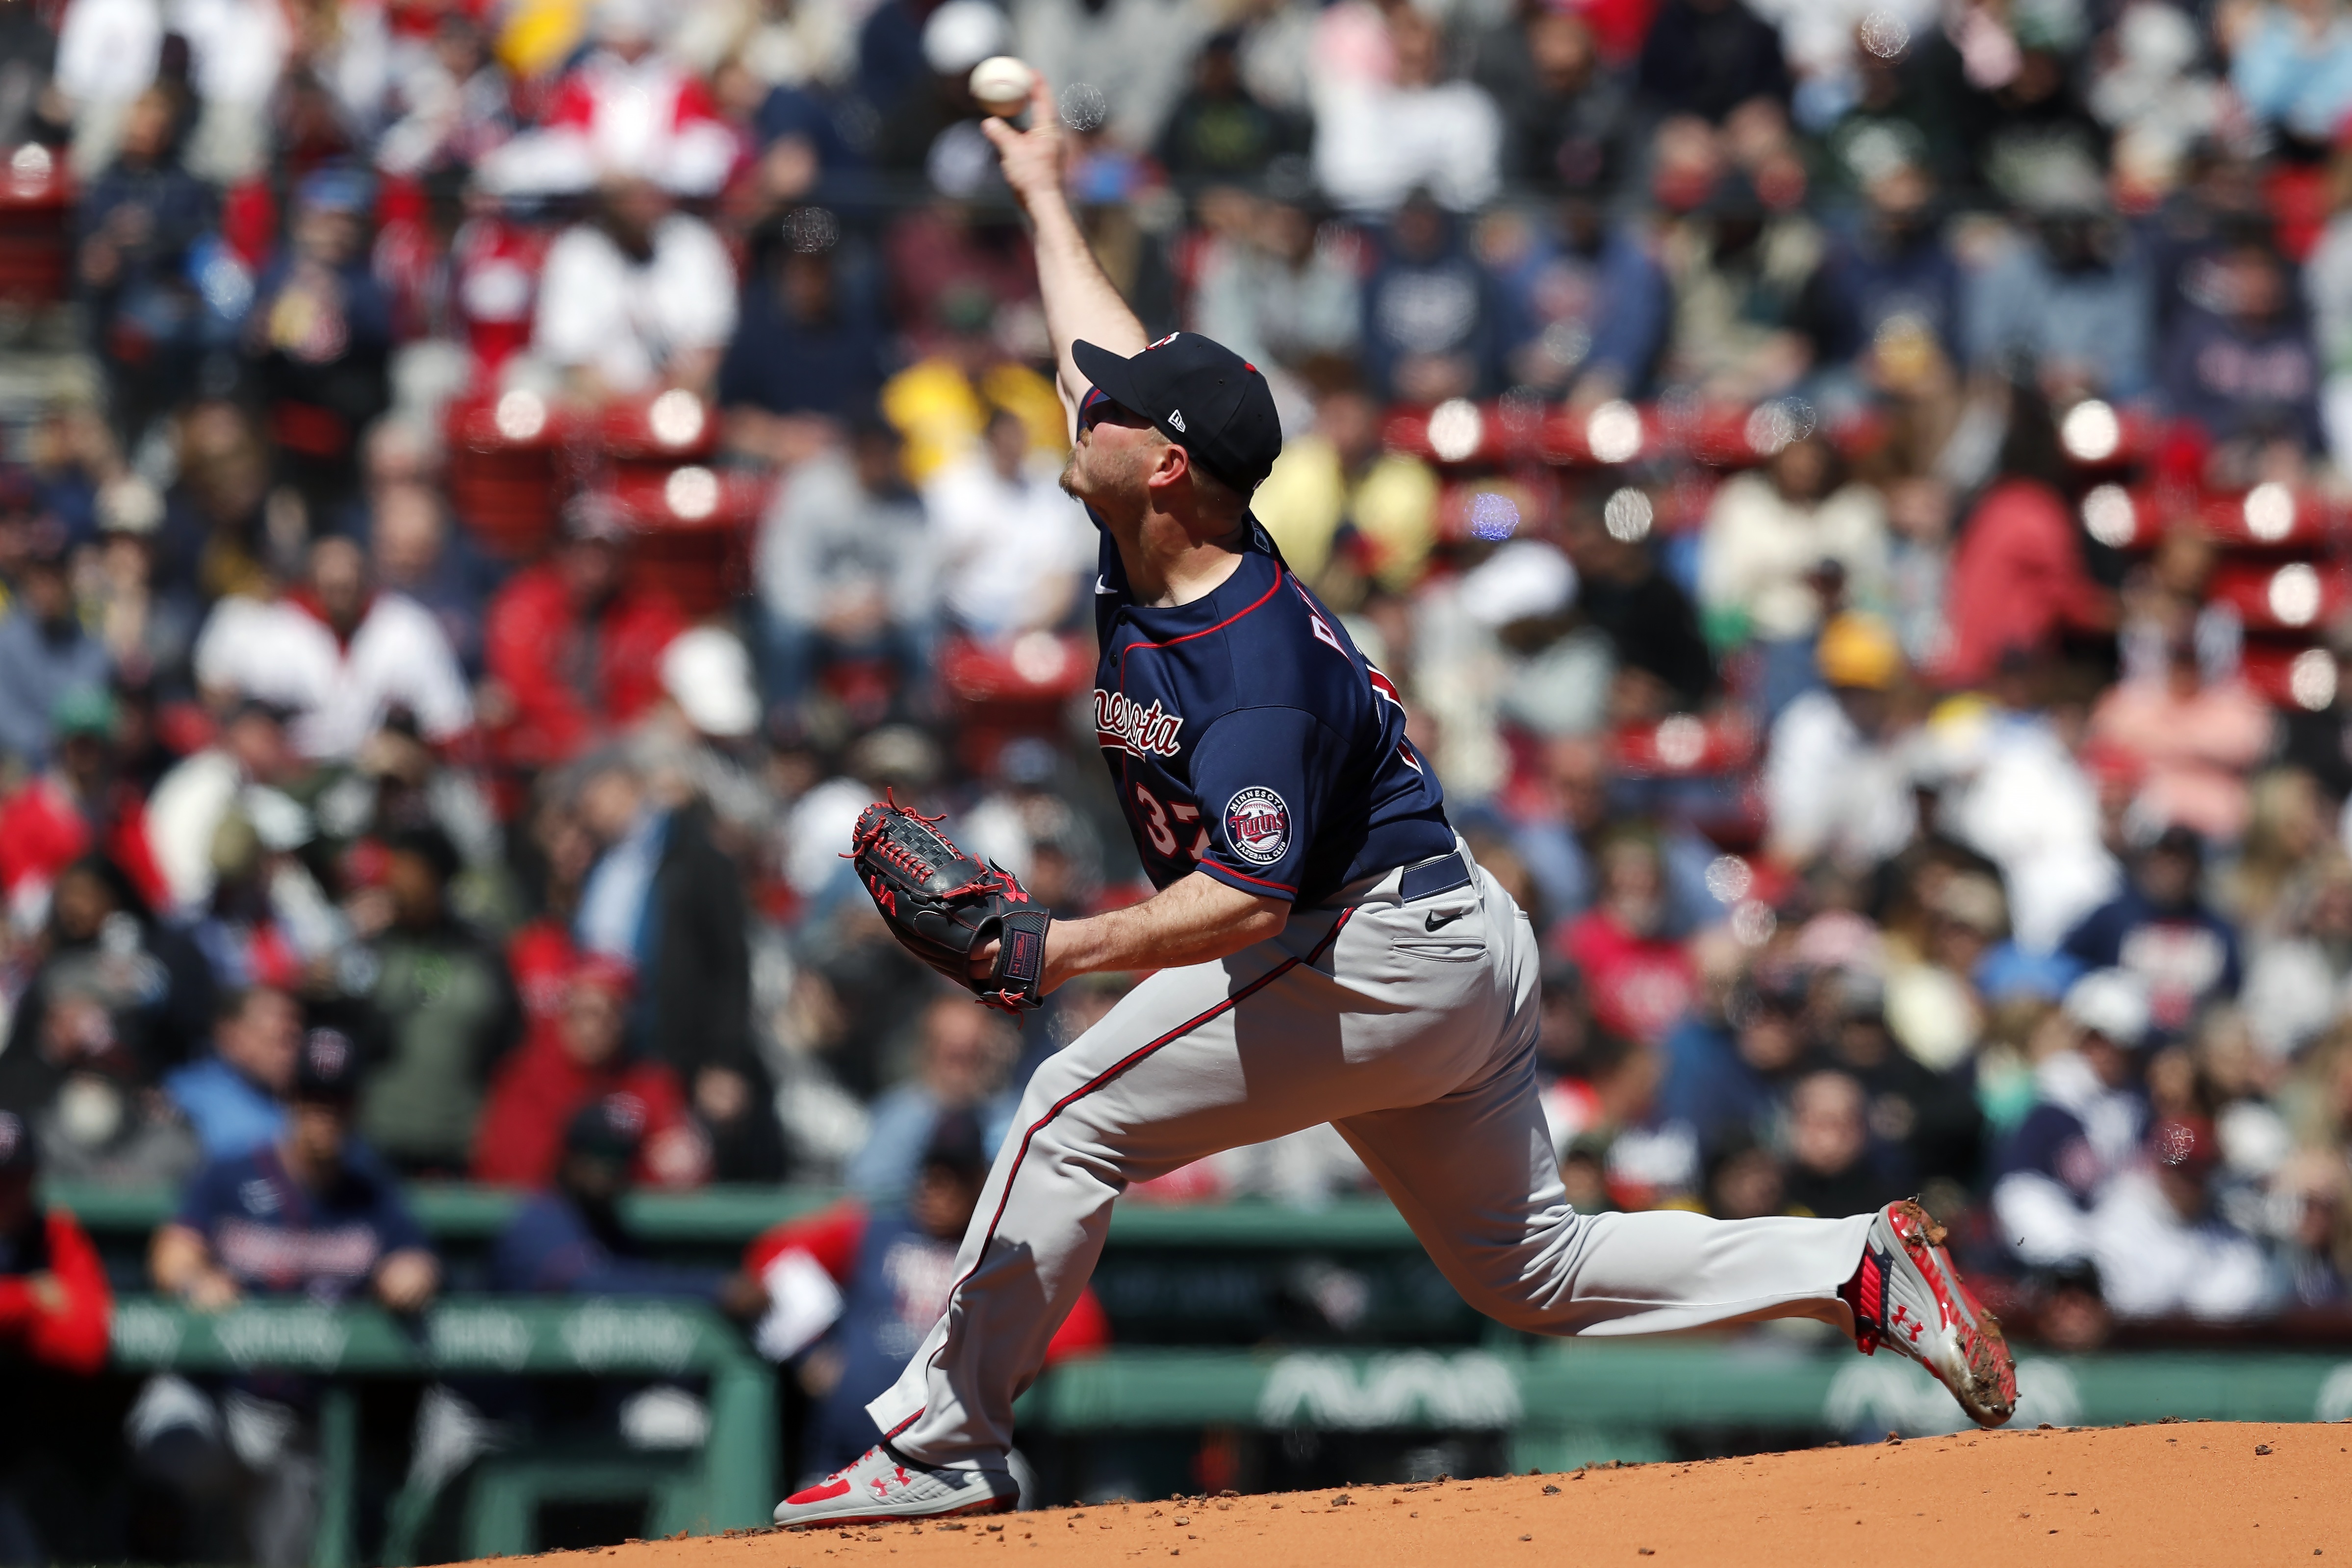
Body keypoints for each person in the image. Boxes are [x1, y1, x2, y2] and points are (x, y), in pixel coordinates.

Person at [768, 75, 2018, 1529]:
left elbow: (1242, 899)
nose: (1074, 398)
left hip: (1360, 947)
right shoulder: (1151, 509)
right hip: (1446, 932)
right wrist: (1045, 188)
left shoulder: (1239, 668)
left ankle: (941, 1442)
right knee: (1527, 1270)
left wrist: (1052, 947)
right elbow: (1084, 331)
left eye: (1104, 410)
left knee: (1065, 1110)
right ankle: (1855, 1263)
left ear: (1163, 464)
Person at [138, 1029, 437, 1568]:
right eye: (311, 1097)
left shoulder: (370, 1192)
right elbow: (171, 1252)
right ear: (290, 1099)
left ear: (355, 1107)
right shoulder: (233, 1173)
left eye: (336, 1100)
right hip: (220, 1395)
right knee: (170, 1443)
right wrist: (194, 1281)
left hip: (301, 1420)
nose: (323, 1113)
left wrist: (410, 1274)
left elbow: (414, 1260)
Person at [752, 1111, 1107, 1483]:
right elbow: (769, 1261)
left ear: (981, 1182)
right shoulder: (874, 1229)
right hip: (845, 1457)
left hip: (953, 1464)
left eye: (952, 1177)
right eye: (930, 1173)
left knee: (1011, 1480)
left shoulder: (1002, 1250)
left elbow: (1082, 1328)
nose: (935, 1187)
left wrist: (997, 1357)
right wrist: (809, 1351)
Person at [0, 1110, 115, 1565]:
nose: (4, 1194)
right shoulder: (36, 1274)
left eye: (15, 1179)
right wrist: (31, 1299)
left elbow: (87, 1342)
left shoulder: (54, 1235)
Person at [165, 984, 298, 1160]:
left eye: (296, 1040)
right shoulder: (184, 1098)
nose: (292, 1054)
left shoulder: (300, 1102)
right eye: (280, 1041)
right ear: (231, 1035)